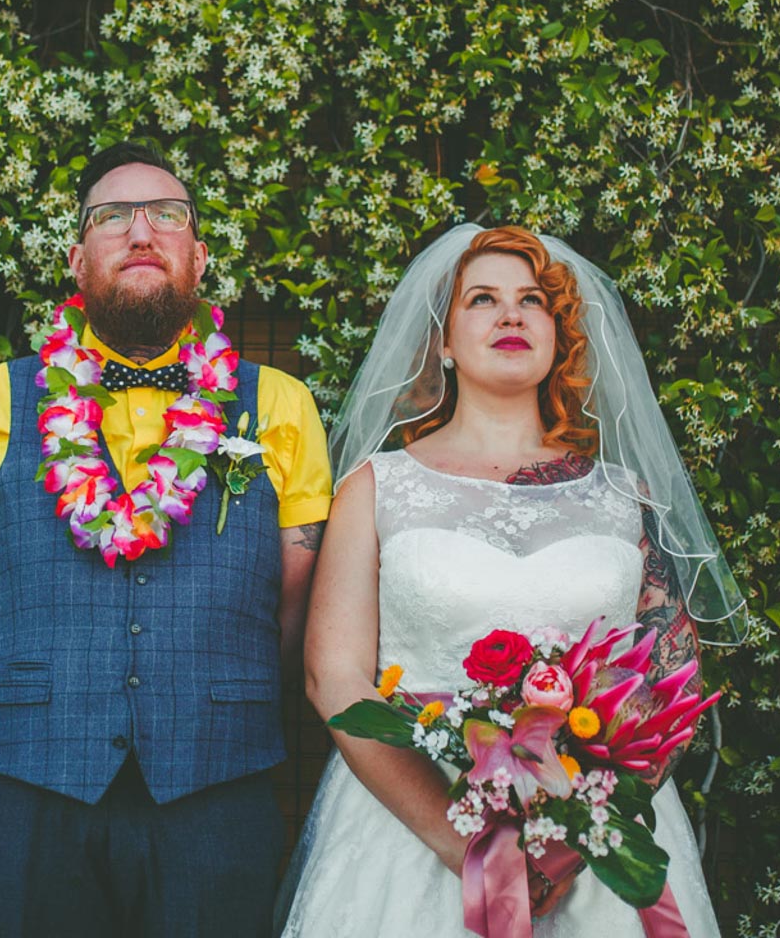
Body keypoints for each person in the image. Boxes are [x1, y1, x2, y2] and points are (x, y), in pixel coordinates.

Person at [282, 225, 747, 936]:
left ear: (558, 335)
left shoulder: (625, 496)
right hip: (412, 835)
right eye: (482, 299)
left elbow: (671, 679)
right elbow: (334, 678)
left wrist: (579, 838)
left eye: (533, 300)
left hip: (599, 841)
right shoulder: (376, 488)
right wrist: (465, 844)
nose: (511, 314)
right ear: (443, 340)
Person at [0, 140, 332, 938]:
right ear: (77, 261)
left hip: (218, 789)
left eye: (167, 215)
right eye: (113, 217)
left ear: (199, 257)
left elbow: (294, 608)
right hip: (28, 788)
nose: (141, 232)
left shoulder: (280, 405)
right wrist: (47, 691)